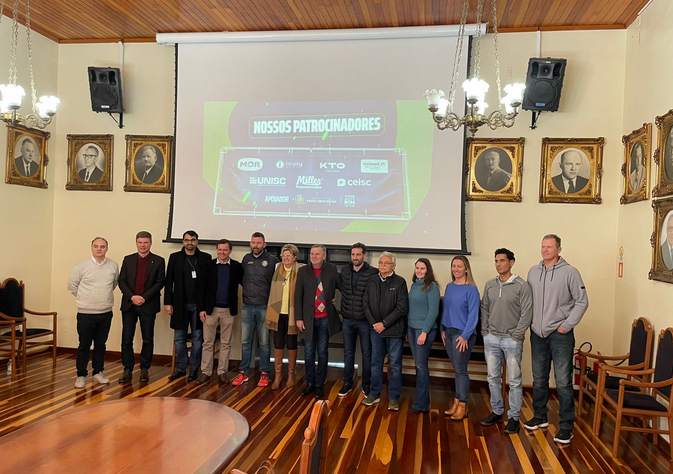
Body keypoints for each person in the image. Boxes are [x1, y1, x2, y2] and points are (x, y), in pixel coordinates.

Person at [524, 234, 588, 444]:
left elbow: (582, 302)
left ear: (559, 250)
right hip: (537, 334)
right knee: (539, 378)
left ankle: (566, 427)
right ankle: (540, 416)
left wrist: (565, 326)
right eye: (543, 246)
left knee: (563, 382)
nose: (545, 250)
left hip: (560, 335)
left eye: (549, 247)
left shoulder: (570, 272)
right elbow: (528, 301)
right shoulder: (533, 272)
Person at [480, 248, 533, 434]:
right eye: (496, 261)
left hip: (511, 340)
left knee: (515, 380)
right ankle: (497, 411)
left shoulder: (522, 286)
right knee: (493, 378)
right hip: (492, 338)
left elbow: (527, 312)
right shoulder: (490, 284)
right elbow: (484, 308)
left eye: (502, 260)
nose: (498, 264)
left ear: (511, 263)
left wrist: (517, 335)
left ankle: (513, 417)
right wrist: (485, 331)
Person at [67, 237, 119, 389]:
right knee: (84, 345)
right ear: (92, 248)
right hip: (86, 313)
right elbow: (71, 286)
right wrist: (86, 299)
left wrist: (102, 298)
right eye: (96, 246)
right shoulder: (81, 266)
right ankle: (81, 375)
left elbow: (114, 284)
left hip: (105, 312)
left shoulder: (113, 265)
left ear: (106, 248)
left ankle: (98, 372)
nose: (99, 249)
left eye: (102, 246)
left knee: (100, 345)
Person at [362, 252, 409, 411]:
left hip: (394, 331)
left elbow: (402, 308)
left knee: (395, 365)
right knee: (376, 363)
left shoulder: (400, 282)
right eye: (381, 262)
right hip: (375, 330)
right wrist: (374, 324)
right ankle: (374, 394)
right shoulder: (372, 280)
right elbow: (365, 304)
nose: (382, 265)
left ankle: (393, 398)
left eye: (386, 263)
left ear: (393, 266)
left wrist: (384, 323)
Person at [118, 231, 166, 384]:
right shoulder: (128, 259)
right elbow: (121, 281)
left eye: (146, 242)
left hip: (148, 305)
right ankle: (127, 369)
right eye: (140, 242)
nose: (143, 245)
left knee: (147, 338)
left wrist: (143, 297)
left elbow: (160, 282)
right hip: (129, 304)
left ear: (150, 243)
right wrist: (132, 297)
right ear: (136, 243)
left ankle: (145, 368)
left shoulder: (158, 261)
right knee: (127, 338)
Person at [233, 232, 279, 387]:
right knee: (246, 342)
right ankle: (243, 372)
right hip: (247, 306)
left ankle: (264, 373)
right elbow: (242, 279)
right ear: (250, 244)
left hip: (264, 306)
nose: (256, 245)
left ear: (264, 245)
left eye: (259, 243)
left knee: (264, 343)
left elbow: (278, 282)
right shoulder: (246, 259)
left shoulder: (272, 260)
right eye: (253, 242)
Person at [164, 230, 211, 382]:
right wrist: (168, 302)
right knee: (179, 338)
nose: (189, 242)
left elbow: (208, 284)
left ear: (197, 241)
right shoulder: (175, 257)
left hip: (199, 305)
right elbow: (169, 281)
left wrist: (206, 306)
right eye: (186, 240)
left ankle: (194, 369)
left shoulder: (205, 258)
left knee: (197, 339)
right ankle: (180, 368)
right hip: (179, 304)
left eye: (192, 240)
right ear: (183, 241)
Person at [195, 239, 243, 385]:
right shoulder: (207, 265)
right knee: (207, 343)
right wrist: (201, 309)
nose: (222, 252)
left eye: (225, 250)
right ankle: (206, 372)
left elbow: (245, 284)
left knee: (226, 343)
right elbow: (200, 289)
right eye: (220, 250)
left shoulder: (236, 267)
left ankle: (222, 372)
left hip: (228, 310)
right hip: (210, 310)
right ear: (217, 250)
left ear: (230, 251)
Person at [296, 245, 340, 399]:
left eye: (317, 254)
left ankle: (320, 384)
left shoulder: (331, 269)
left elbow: (338, 287)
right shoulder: (303, 271)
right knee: (308, 353)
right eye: (312, 254)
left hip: (325, 319)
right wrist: (298, 318)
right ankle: (310, 382)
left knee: (322, 352)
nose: (314, 257)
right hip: (308, 320)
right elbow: (298, 296)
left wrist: (332, 298)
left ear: (324, 256)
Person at [441, 256, 479, 421]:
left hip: (462, 334)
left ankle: (463, 405)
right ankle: (457, 402)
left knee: (461, 370)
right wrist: (442, 328)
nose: (456, 269)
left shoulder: (471, 289)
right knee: (457, 369)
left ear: (466, 269)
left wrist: (465, 336)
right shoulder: (449, 287)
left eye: (459, 266)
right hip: (448, 332)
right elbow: (446, 310)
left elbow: (473, 316)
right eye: (453, 266)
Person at [337, 242, 377, 397]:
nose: (355, 257)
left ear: (364, 256)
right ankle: (347, 383)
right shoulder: (345, 270)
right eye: (353, 254)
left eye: (358, 254)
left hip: (365, 321)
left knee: (367, 354)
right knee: (348, 353)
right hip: (347, 319)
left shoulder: (372, 272)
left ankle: (366, 384)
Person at [265, 244, 303, 390]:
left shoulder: (300, 270)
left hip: (292, 313)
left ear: (295, 257)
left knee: (291, 343)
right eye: (284, 255)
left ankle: (291, 375)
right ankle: (278, 375)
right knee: (278, 343)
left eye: (289, 255)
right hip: (277, 312)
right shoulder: (277, 268)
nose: (285, 258)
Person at [407, 258, 440, 414]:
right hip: (411, 329)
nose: (419, 271)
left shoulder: (432, 287)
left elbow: (433, 312)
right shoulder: (414, 285)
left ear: (428, 270)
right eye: (417, 268)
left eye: (422, 268)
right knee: (418, 364)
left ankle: (420, 404)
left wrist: (424, 332)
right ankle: (424, 402)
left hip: (424, 331)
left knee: (421, 366)